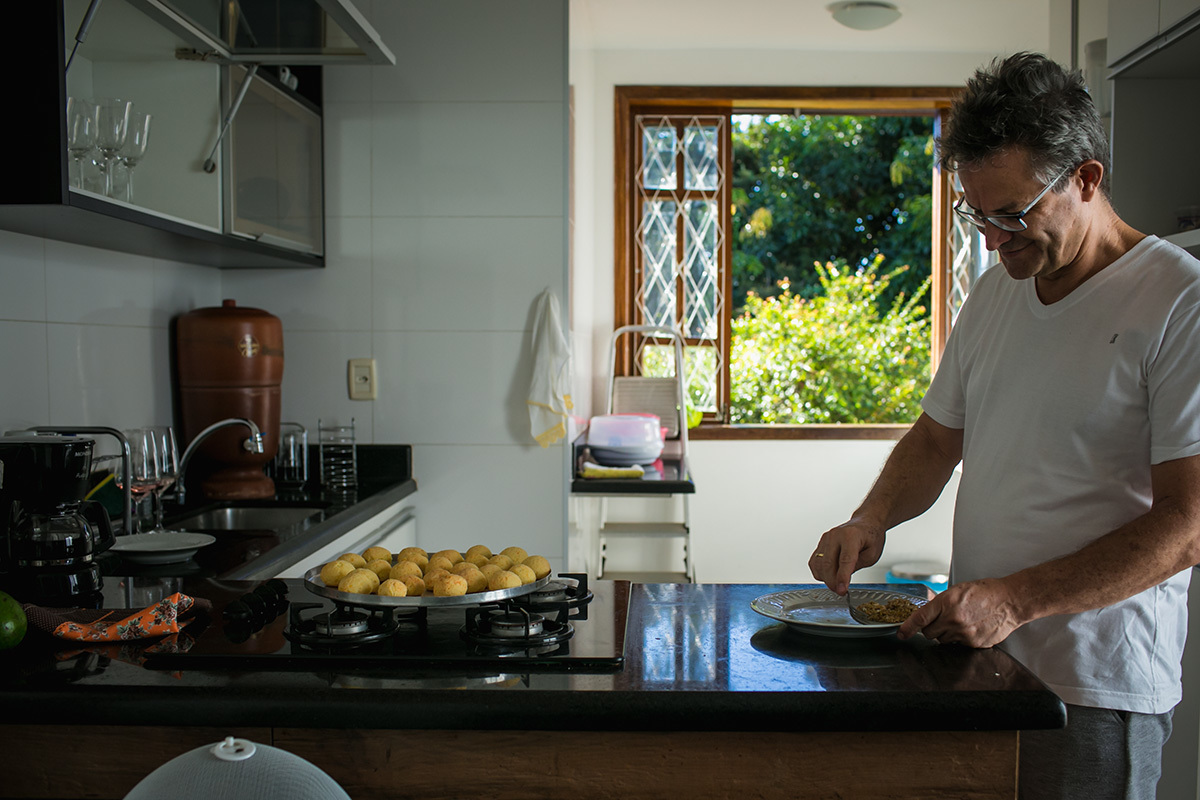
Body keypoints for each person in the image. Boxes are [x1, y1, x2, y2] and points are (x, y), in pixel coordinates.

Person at [808, 52, 1200, 800]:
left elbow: (1190, 525)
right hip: (981, 669)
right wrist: (871, 518)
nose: (992, 237)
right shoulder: (996, 294)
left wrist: (1015, 600)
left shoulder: (1179, 305)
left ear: (1086, 179)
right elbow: (935, 440)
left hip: (1095, 690)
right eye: (976, 213)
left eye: (1012, 213)